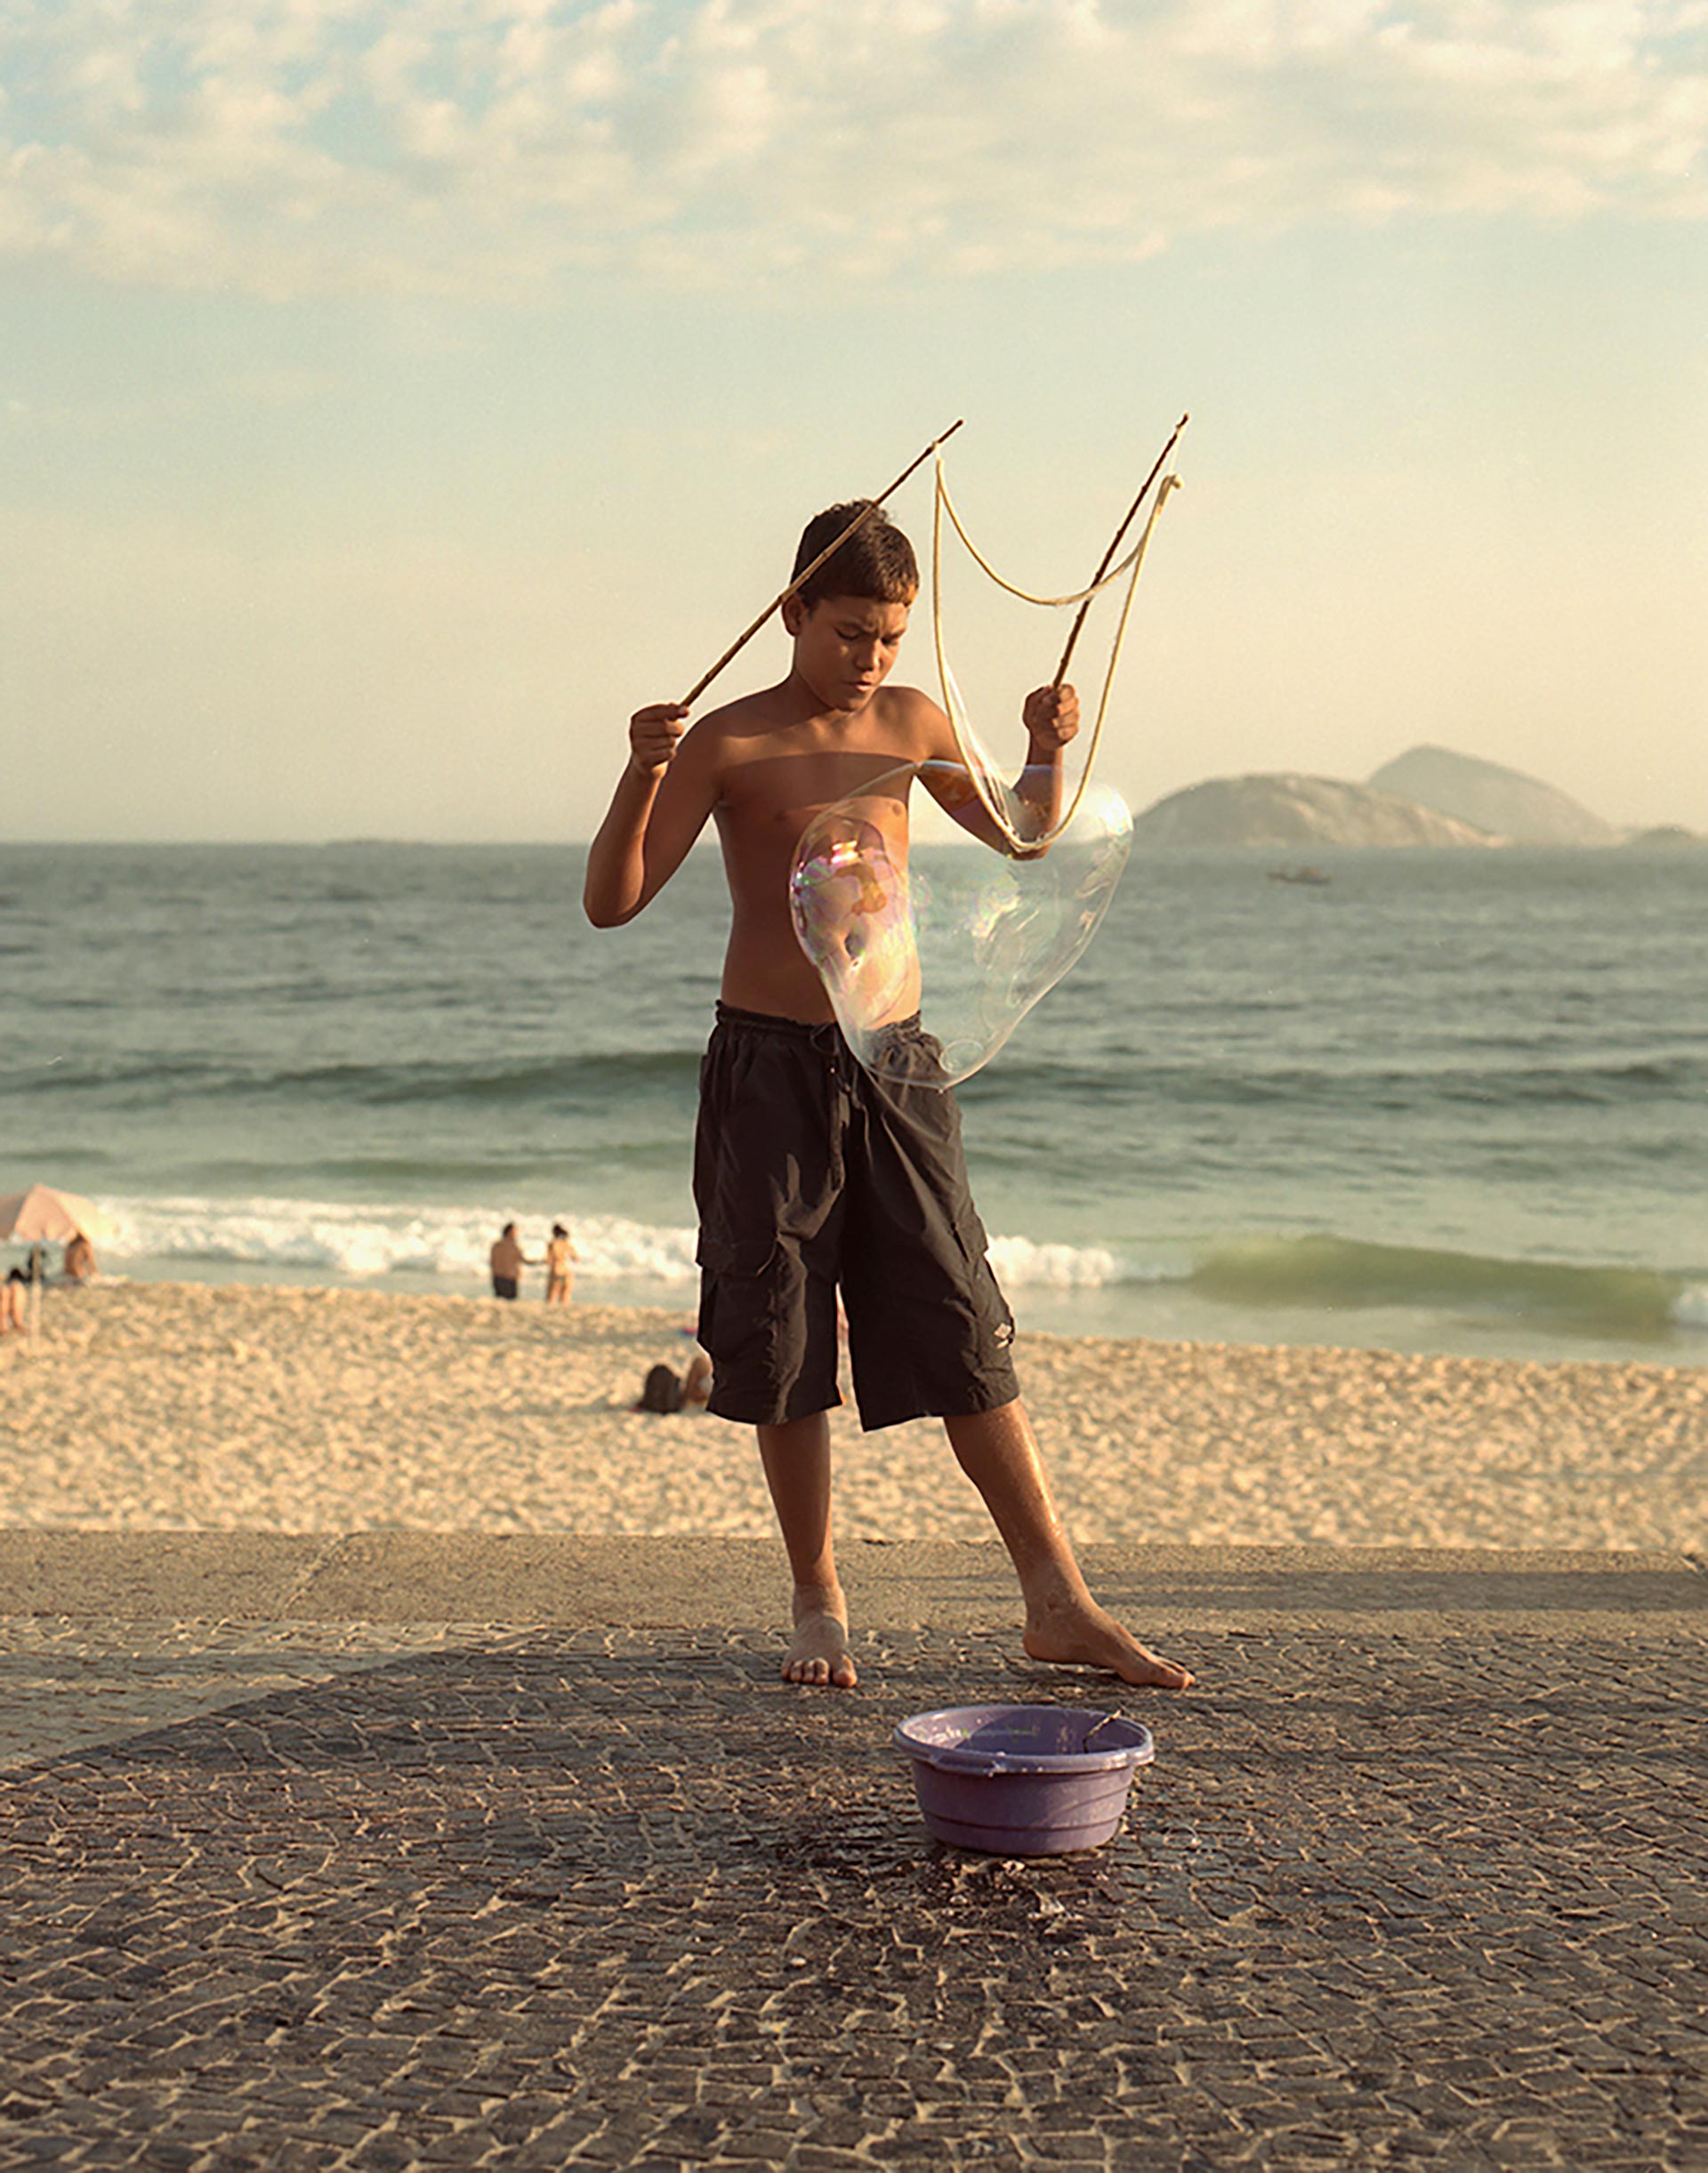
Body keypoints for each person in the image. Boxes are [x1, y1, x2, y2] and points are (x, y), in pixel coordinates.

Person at [584, 497, 1193, 1694]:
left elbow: (1024, 835)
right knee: (782, 1333)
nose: (871, 656)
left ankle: (1057, 1600)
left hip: (899, 1061)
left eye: (891, 635)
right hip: (767, 1064)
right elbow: (613, 900)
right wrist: (639, 775)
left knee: (962, 1316)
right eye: (851, 629)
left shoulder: (911, 721)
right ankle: (817, 1593)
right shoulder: (728, 740)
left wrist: (1045, 742)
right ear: (794, 610)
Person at [488, 1221, 530, 1300]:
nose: (516, 1235)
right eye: (515, 1232)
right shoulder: (514, 1247)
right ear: (509, 1233)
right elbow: (524, 1260)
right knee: (510, 1300)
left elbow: (492, 1262)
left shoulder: (496, 1245)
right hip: (509, 1279)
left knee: (500, 1300)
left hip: (497, 1279)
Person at [544, 1222, 578, 1305]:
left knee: (551, 1298)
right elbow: (576, 1258)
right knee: (565, 1298)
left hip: (555, 1272)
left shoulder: (552, 1244)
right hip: (565, 1271)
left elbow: (548, 1260)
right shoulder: (566, 1244)